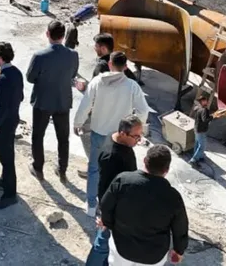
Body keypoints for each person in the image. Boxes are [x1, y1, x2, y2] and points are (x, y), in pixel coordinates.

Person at [74, 51, 150, 215]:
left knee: (94, 168)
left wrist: (78, 122)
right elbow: (143, 111)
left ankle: (91, 205)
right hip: (121, 137)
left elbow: (85, 104)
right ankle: (113, 206)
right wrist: (136, 129)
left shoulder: (97, 82)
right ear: (125, 66)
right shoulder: (131, 86)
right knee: (118, 172)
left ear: (109, 63)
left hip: (99, 132)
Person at [100, 145, 189, 266]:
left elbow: (105, 206)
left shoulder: (123, 180)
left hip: (121, 248)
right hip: (153, 256)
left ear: (144, 161)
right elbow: (181, 228)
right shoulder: (173, 197)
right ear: (166, 170)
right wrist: (179, 250)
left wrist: (108, 224)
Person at [85, 115, 144, 266]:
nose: (139, 140)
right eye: (136, 137)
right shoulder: (111, 157)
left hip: (120, 206)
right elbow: (104, 189)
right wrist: (106, 216)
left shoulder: (120, 140)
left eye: (140, 136)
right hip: (113, 210)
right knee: (102, 244)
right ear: (123, 133)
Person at [26, 20, 80, 182]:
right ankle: (62, 169)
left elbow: (30, 78)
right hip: (63, 100)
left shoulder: (39, 56)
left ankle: (38, 167)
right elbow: (72, 75)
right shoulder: (73, 55)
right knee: (63, 137)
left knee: (38, 135)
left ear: (47, 34)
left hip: (43, 100)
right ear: (63, 36)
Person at [0, 41, 24, 209]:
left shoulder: (3, 78)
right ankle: (4, 180)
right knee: (6, 155)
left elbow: (1, 106)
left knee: (6, 157)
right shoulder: (16, 72)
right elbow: (21, 97)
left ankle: (10, 194)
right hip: (13, 119)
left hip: (4, 124)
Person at [189, 93, 224, 166]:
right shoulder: (204, 110)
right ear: (203, 102)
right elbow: (205, 119)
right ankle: (194, 159)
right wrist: (213, 117)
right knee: (202, 146)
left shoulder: (198, 108)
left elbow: (203, 118)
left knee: (197, 144)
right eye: (205, 101)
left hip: (196, 129)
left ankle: (200, 156)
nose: (206, 102)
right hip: (201, 130)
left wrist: (212, 115)